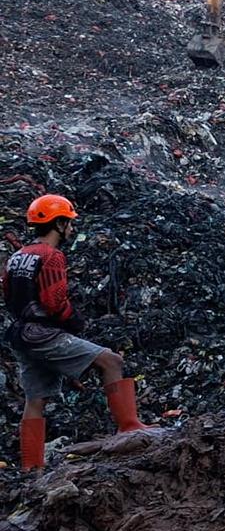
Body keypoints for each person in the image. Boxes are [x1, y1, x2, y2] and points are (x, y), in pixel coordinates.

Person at [3, 195, 151, 470]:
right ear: (57, 223)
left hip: (20, 334)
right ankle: (130, 427)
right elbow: (54, 303)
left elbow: (8, 294)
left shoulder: (17, 257)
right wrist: (75, 322)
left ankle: (31, 466)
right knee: (111, 361)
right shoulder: (52, 256)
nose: (71, 229)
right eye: (68, 224)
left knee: (35, 399)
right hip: (44, 333)